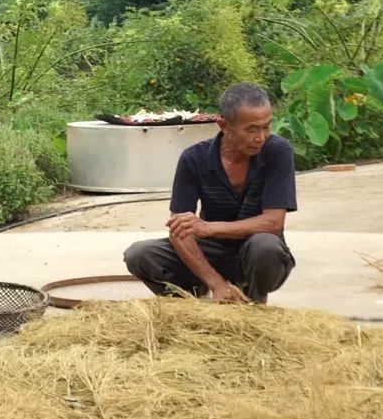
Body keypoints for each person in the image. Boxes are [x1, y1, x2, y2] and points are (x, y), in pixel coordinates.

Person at [124, 83, 296, 304]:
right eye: (252, 129)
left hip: (253, 252)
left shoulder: (278, 151)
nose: (260, 137)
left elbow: (273, 223)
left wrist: (208, 227)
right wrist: (216, 282)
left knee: (266, 246)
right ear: (224, 125)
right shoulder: (193, 158)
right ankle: (193, 300)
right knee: (139, 254)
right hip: (210, 252)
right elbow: (179, 230)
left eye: (266, 127)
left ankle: (254, 302)